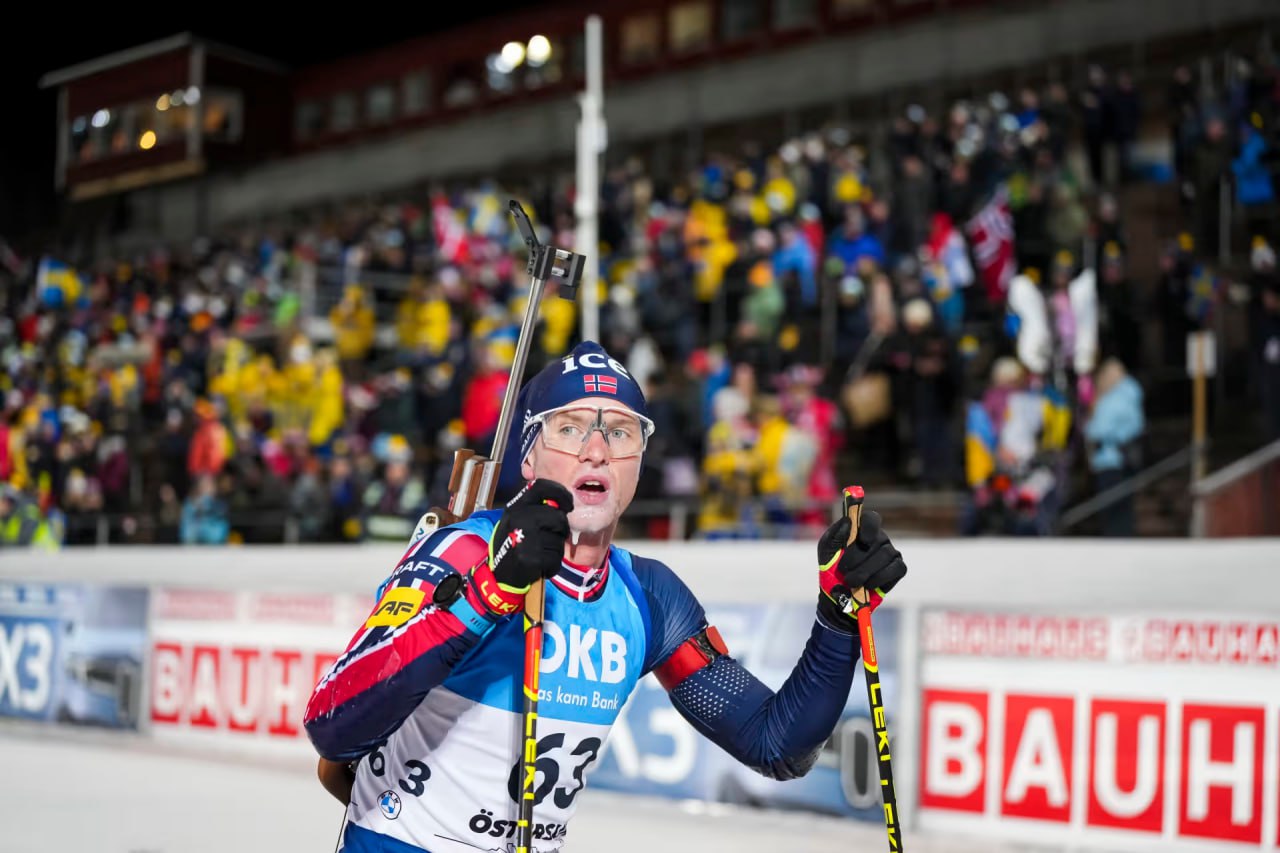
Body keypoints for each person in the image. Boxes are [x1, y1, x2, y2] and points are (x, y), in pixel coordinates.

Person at [303, 341, 908, 853]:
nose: (596, 449)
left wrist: (836, 619)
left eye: (620, 432)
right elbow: (332, 725)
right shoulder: (463, 551)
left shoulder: (649, 596)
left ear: (639, 461)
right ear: (529, 453)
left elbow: (776, 745)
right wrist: (487, 595)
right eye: (570, 428)